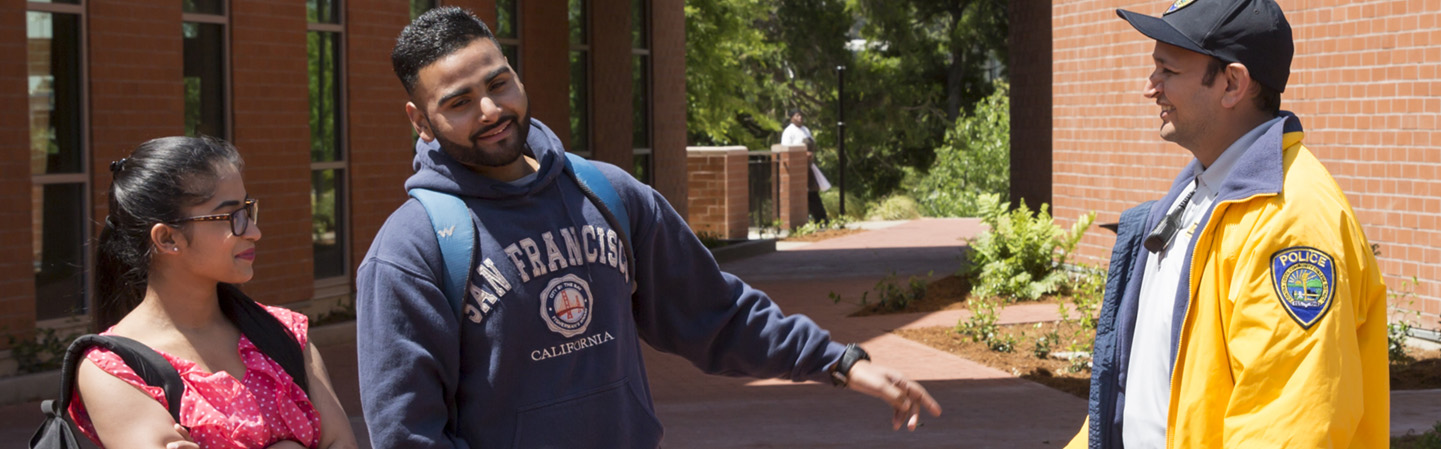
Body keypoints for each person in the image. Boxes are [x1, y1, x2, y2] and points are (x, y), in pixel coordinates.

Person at [356, 7, 940, 448]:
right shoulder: (412, 251)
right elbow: (407, 432)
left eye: (498, 83)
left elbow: (717, 314)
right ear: (421, 120)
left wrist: (839, 362)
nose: (490, 111)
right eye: (459, 103)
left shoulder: (608, 194)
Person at [1066, 1, 1388, 447]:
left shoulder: (1291, 223)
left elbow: (1287, 429)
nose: (1150, 88)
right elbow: (1133, 390)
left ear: (1233, 83)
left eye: (1168, 71)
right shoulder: (1194, 195)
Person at [70, 136, 358, 449]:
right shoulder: (113, 368)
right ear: (168, 238)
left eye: (248, 210)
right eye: (232, 216)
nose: (254, 232)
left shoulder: (283, 332)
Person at [781, 108, 831, 222]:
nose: (800, 118)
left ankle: (821, 219)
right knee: (804, 194)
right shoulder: (788, 132)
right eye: (797, 115)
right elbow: (786, 150)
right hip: (796, 168)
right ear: (792, 117)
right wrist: (802, 154)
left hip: (808, 166)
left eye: (801, 115)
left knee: (813, 191)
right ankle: (812, 219)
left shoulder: (805, 130)